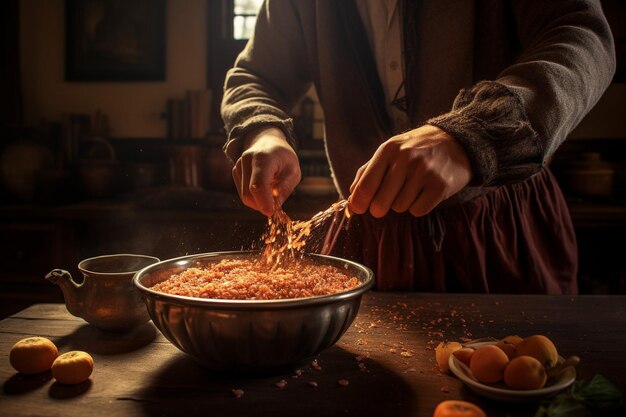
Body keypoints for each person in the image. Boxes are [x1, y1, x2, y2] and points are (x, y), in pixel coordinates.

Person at [220, 0, 615, 294]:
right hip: (368, 243)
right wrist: (263, 131)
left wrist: (472, 134)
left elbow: (581, 35)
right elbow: (255, 76)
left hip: (499, 230)